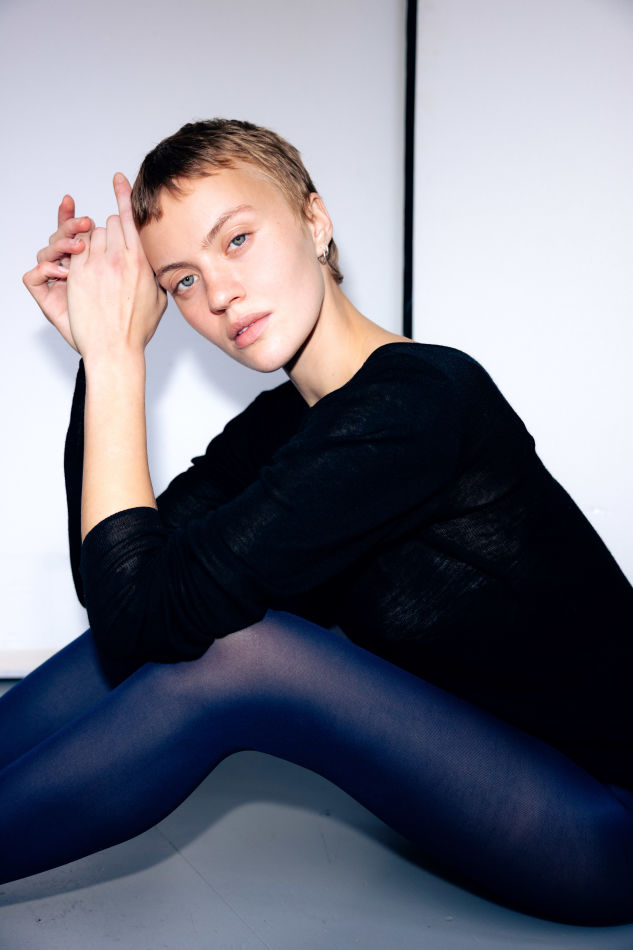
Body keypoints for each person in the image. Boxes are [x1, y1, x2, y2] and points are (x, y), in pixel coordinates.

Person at [7, 118, 633, 925]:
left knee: (235, 652)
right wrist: (99, 362)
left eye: (236, 240)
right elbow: (122, 592)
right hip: (491, 778)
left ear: (315, 220)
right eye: (182, 281)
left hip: (600, 824)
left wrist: (116, 361)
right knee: (169, 620)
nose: (218, 293)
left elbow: (144, 614)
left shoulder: (416, 402)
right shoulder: (282, 426)